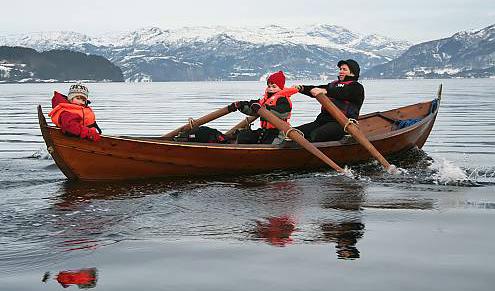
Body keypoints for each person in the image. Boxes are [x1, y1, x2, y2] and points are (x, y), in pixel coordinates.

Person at [294, 59, 365, 142]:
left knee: (316, 134)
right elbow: (316, 89)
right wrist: (301, 88)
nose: (341, 72)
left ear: (352, 73)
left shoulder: (356, 87)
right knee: (294, 132)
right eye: (340, 69)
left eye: (344, 69)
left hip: (343, 124)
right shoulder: (333, 85)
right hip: (322, 121)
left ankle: (306, 148)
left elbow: (343, 92)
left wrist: (326, 91)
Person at [230, 71, 298, 144]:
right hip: (265, 131)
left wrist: (265, 109)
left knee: (271, 143)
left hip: (278, 133)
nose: (270, 88)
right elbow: (252, 110)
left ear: (281, 88)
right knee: (243, 136)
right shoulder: (265, 100)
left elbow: (283, 112)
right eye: (269, 86)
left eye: (274, 86)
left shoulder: (283, 99)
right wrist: (241, 106)